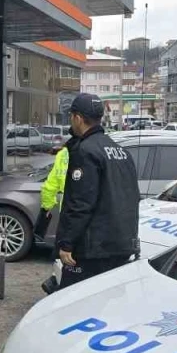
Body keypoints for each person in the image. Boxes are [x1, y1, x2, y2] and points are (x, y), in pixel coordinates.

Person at [55, 93, 141, 289]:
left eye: (71, 117)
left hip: (92, 249)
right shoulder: (120, 151)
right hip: (121, 244)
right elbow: (132, 196)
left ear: (77, 118)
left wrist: (67, 243)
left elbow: (81, 203)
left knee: (73, 301)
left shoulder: (86, 151)